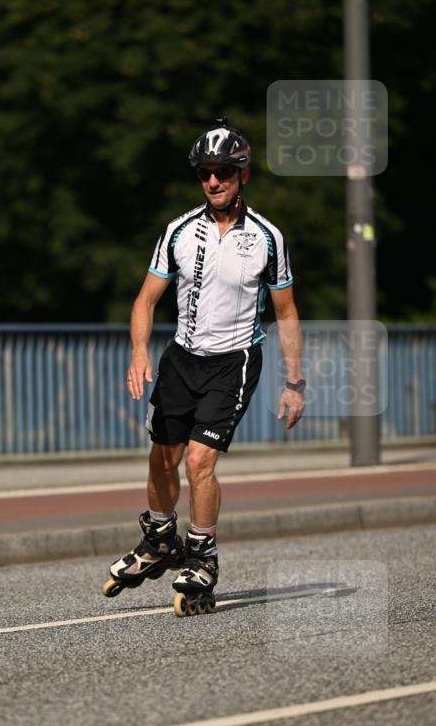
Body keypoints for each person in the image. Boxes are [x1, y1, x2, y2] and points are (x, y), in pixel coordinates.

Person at [102, 118, 305, 616]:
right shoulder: (177, 230)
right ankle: (159, 538)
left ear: (243, 175)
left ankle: (203, 557)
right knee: (160, 458)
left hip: (233, 362)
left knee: (198, 462)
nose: (213, 181)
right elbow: (145, 300)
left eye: (224, 172)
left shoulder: (267, 238)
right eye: (204, 173)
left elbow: (285, 311)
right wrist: (138, 352)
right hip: (181, 358)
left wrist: (294, 382)